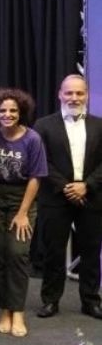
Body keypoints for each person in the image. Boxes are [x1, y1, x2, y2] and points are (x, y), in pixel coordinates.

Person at [0, 88, 47, 337]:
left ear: (21, 113)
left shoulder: (32, 139)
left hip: (22, 198)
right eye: (3, 110)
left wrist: (23, 212)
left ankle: (18, 310)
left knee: (17, 253)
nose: (7, 114)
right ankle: (5, 310)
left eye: (13, 111)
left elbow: (36, 178)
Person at [35, 75, 102, 321]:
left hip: (92, 197)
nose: (74, 98)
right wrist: (66, 187)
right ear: (60, 95)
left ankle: (91, 301)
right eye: (69, 93)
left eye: (79, 93)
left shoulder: (99, 125)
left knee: (91, 252)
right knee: (53, 251)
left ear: (87, 95)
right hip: (55, 198)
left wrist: (87, 185)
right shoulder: (43, 125)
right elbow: (41, 161)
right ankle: (50, 300)